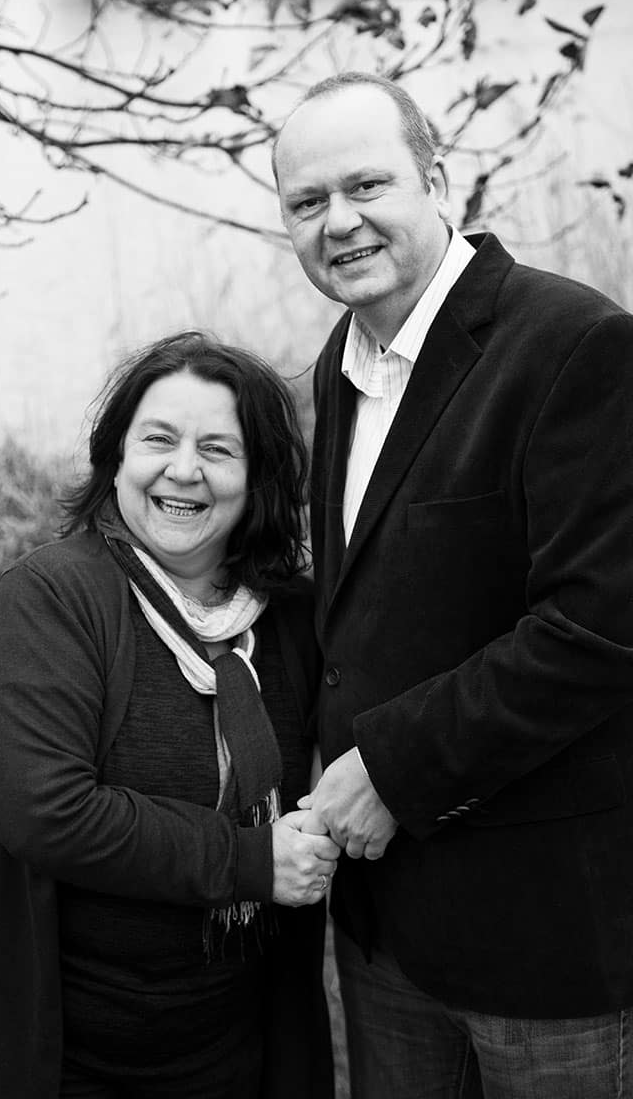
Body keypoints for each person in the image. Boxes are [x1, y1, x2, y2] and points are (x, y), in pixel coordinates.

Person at [272, 70, 633, 1098]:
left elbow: (596, 631)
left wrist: (388, 769)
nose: (336, 222)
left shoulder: (573, 345)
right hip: (386, 935)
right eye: (305, 203)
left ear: (438, 181)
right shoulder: (338, 370)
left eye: (364, 186)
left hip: (542, 942)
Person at [0, 331, 339, 1099]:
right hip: (68, 1058)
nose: (182, 469)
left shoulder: (293, 617)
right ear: (118, 458)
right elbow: (46, 810)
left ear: (257, 475)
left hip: (236, 1049)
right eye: (157, 440)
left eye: (217, 449)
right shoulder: (54, 595)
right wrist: (248, 861)